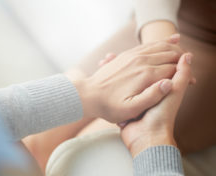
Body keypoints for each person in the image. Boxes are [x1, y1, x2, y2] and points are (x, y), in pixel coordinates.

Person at [23, 0, 216, 170]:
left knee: (84, 157)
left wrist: (158, 74)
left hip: (209, 61)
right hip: (162, 21)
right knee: (33, 146)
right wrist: (155, 54)